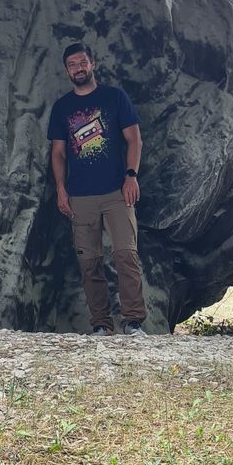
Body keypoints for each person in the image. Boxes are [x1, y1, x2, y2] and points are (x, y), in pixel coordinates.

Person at [47, 44, 147, 336]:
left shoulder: (114, 97)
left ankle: (133, 321)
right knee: (89, 262)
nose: (78, 68)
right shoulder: (62, 107)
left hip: (117, 192)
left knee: (126, 256)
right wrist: (61, 189)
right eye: (72, 64)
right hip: (80, 196)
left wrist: (131, 176)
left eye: (82, 62)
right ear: (67, 71)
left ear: (93, 63)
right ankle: (101, 324)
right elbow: (58, 154)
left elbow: (134, 140)